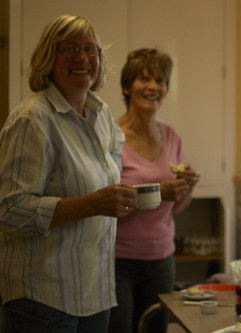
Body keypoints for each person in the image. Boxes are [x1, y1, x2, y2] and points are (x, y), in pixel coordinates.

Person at [0, 15, 137, 333]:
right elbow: (8, 210)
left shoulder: (102, 116)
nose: (83, 58)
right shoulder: (32, 119)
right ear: (48, 58)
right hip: (43, 298)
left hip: (94, 291)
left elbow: (105, 190)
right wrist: (92, 204)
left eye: (91, 49)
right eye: (70, 49)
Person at [108, 48, 200, 333]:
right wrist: (161, 191)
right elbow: (110, 211)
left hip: (161, 259)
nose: (153, 87)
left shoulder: (171, 136)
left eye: (160, 81)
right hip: (117, 260)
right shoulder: (111, 137)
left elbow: (177, 207)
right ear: (127, 86)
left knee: (156, 329)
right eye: (144, 79)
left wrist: (186, 188)